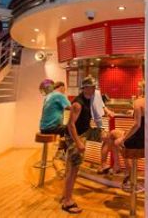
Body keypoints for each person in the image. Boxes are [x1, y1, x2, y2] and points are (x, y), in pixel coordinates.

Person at [62, 76, 97, 214]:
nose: (94, 89)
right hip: (74, 137)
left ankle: (107, 165)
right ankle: (67, 201)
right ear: (86, 88)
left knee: (109, 137)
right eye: (92, 86)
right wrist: (78, 143)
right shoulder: (78, 104)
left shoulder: (90, 99)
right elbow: (70, 125)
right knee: (73, 170)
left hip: (85, 132)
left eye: (94, 86)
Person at [109, 96, 145, 183]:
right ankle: (117, 166)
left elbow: (137, 125)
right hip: (146, 138)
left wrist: (123, 139)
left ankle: (130, 172)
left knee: (117, 142)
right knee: (113, 133)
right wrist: (134, 112)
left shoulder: (137, 102)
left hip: (138, 139)